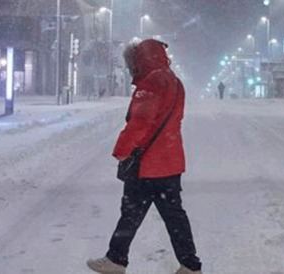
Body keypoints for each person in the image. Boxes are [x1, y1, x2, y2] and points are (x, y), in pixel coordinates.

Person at [87, 39, 202, 274]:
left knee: (131, 213)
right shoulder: (175, 82)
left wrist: (121, 151)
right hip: (170, 161)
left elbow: (140, 123)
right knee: (174, 216)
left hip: (147, 164)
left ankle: (116, 260)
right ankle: (190, 264)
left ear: (140, 60)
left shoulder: (151, 83)